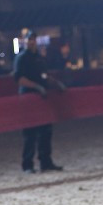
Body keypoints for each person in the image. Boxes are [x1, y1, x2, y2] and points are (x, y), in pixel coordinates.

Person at [12, 28, 66, 173]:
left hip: (42, 99)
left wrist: (56, 84)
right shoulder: (21, 58)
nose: (31, 42)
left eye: (33, 39)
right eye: (29, 39)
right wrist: (36, 87)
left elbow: (44, 76)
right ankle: (27, 165)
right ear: (25, 41)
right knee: (30, 134)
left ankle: (46, 162)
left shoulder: (40, 58)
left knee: (46, 131)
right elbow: (20, 79)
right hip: (28, 99)